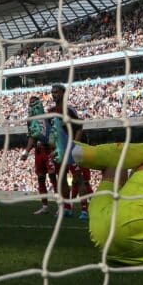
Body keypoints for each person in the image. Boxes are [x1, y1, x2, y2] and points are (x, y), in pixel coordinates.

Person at [50, 83, 92, 219]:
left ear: (63, 93)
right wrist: (53, 148)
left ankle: (85, 210)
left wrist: (75, 144)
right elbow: (52, 133)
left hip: (71, 149)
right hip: (59, 151)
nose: (53, 94)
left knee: (79, 179)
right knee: (61, 179)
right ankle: (67, 208)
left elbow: (79, 127)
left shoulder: (69, 110)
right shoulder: (50, 112)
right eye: (52, 92)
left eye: (56, 92)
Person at [21, 95, 58, 215]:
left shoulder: (48, 117)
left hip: (49, 149)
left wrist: (55, 147)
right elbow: (32, 136)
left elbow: (54, 133)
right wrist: (26, 151)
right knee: (41, 178)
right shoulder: (30, 120)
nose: (32, 105)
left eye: (34, 102)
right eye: (30, 103)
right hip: (39, 151)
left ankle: (62, 205)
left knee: (53, 177)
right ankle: (45, 206)